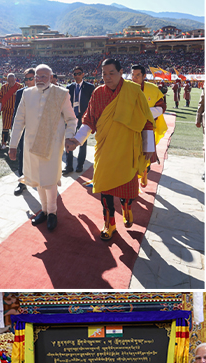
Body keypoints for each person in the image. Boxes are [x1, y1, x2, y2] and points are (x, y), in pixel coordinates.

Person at [66, 58, 157, 242]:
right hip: (105, 150)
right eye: (104, 74)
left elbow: (147, 120)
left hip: (127, 150)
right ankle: (110, 224)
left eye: (111, 73)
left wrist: (148, 147)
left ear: (121, 72)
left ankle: (126, 207)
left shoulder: (133, 91)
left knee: (126, 191)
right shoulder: (98, 93)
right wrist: (77, 140)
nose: (107, 77)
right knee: (105, 189)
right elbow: (89, 119)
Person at [9, 64, 78, 230]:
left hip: (52, 145)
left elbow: (72, 120)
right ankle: (44, 210)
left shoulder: (61, 94)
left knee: (50, 179)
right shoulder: (27, 93)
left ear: (51, 77)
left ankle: (52, 212)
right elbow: (19, 121)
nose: (39, 80)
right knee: (38, 179)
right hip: (31, 145)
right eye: (37, 77)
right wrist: (13, 145)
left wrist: (69, 137)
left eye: (43, 77)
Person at [128, 64, 169, 226]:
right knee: (131, 156)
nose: (134, 78)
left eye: (137, 75)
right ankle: (133, 184)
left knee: (147, 154)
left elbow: (162, 107)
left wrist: (146, 112)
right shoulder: (126, 88)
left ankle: (145, 170)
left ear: (144, 76)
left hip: (147, 127)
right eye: (133, 75)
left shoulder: (152, 89)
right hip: (131, 128)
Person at [63, 67, 96, 174]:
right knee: (68, 139)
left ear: (83, 74)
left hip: (83, 117)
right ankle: (69, 166)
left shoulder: (90, 87)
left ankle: (80, 165)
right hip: (71, 117)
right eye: (75, 74)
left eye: (79, 73)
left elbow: (93, 103)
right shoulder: (69, 87)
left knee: (82, 142)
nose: (77, 75)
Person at [0, 73, 23, 147]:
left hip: (16, 111)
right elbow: (0, 98)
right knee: (5, 127)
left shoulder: (20, 86)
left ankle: (15, 144)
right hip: (6, 111)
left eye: (12, 80)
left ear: (15, 79)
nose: (11, 81)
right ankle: (3, 143)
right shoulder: (3, 87)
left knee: (15, 128)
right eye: (9, 80)